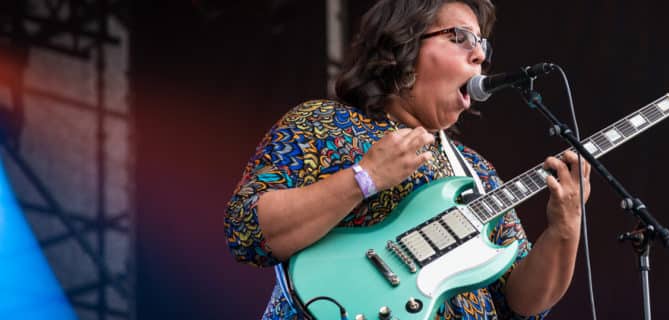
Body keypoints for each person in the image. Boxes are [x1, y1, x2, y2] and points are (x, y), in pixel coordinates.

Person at [224, 0, 591, 319]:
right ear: (403, 46)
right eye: (459, 37)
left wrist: (565, 228)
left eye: (482, 44)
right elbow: (247, 228)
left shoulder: (476, 171)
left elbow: (522, 304)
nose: (480, 55)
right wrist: (364, 177)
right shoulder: (322, 124)